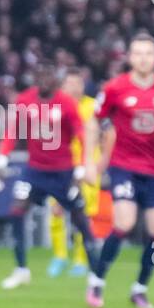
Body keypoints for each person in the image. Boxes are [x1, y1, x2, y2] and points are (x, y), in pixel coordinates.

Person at [84, 33, 154, 308]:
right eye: (137, 53)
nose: (143, 58)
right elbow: (93, 123)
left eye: (148, 53)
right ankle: (98, 279)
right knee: (123, 222)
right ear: (129, 57)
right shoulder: (115, 87)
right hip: (124, 166)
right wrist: (89, 160)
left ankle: (140, 288)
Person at [0, 63, 102, 290]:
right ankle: (22, 269)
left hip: (63, 173)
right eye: (40, 76)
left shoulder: (66, 103)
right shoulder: (25, 100)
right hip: (34, 171)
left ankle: (94, 272)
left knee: (80, 219)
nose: (44, 81)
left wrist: (82, 167)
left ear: (55, 80)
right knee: (16, 212)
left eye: (49, 76)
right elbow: (12, 131)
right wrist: (3, 157)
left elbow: (81, 135)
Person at [47, 69, 103, 277]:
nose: (74, 87)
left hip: (87, 166)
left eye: (78, 83)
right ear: (62, 86)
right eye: (70, 83)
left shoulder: (94, 106)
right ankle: (59, 256)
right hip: (62, 166)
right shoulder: (54, 106)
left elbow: (106, 133)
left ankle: (80, 260)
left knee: (84, 215)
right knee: (56, 211)